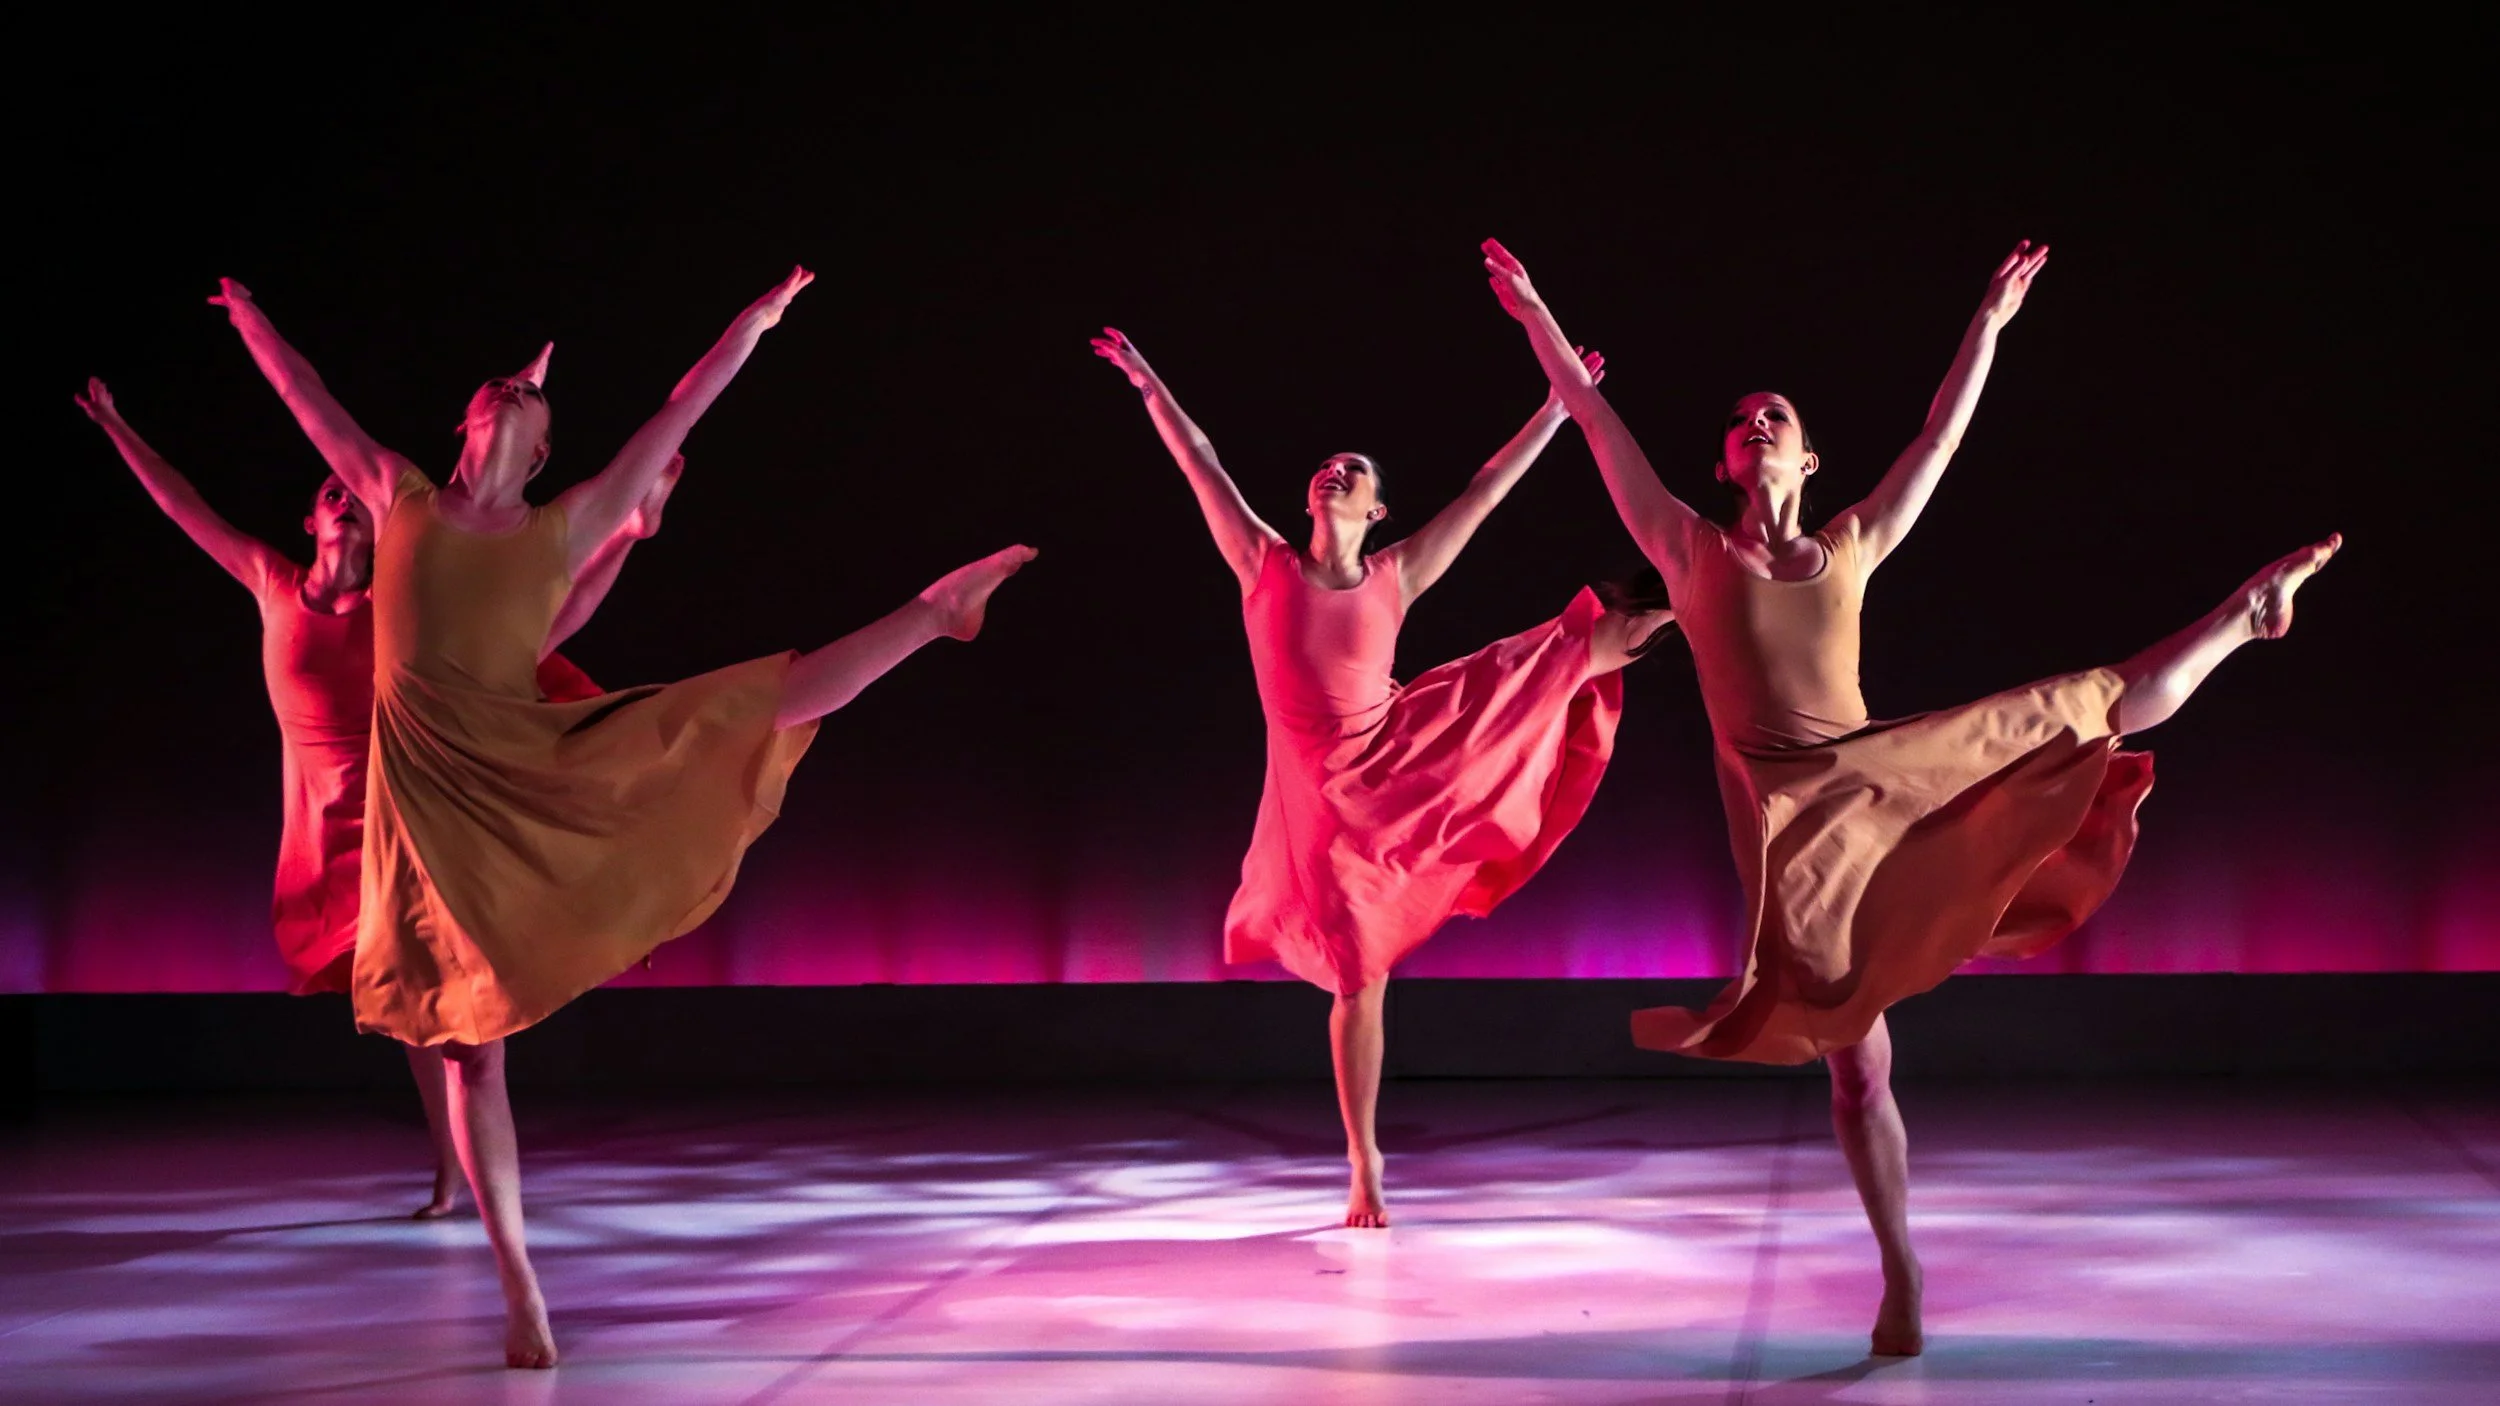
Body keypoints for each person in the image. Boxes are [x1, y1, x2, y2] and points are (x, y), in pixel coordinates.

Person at [1484, 237, 2338, 1355]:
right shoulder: (1687, 548)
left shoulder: (1848, 545)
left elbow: (1938, 439)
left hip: (1878, 779)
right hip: (1794, 830)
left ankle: (2239, 612)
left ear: (1806, 458)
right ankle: (1904, 1263)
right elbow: (1595, 421)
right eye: (1740, 422)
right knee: (1856, 1070)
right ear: (1725, 466)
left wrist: (1985, 323)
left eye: (1775, 417)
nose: (1756, 426)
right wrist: (1536, 311)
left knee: (2084, 703)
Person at [216, 268, 1035, 1367]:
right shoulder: (395, 495)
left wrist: (751, 321)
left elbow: (679, 409)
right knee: (473, 1057)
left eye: (528, 392)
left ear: (544, 445)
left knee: (738, 707)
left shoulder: (568, 518)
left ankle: (933, 614)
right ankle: (519, 1286)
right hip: (432, 807)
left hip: (529, 760)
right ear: (467, 418)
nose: (508, 390)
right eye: (494, 384)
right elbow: (304, 392)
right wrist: (256, 318)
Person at [1093, 326, 1672, 1229]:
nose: (1335, 475)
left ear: (1378, 509)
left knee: (1547, 660)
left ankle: (1695, 598)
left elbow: (1484, 491)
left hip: (1394, 756)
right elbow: (1202, 461)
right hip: (1315, 797)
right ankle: (1364, 1159)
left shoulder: (1396, 574)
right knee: (1358, 975)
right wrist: (1146, 380)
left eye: (1353, 472)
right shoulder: (1262, 564)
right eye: (1327, 468)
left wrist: (1557, 409)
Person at [77, 374, 668, 1220]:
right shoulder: (271, 584)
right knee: (404, 1012)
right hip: (324, 830)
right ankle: (450, 1166)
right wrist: (115, 426)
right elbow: (185, 508)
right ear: (310, 525)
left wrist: (593, 510)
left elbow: (542, 622)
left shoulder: (400, 598)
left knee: (442, 1010)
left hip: (414, 814)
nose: (340, 499)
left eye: (349, 493)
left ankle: (459, 1172)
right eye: (326, 497)